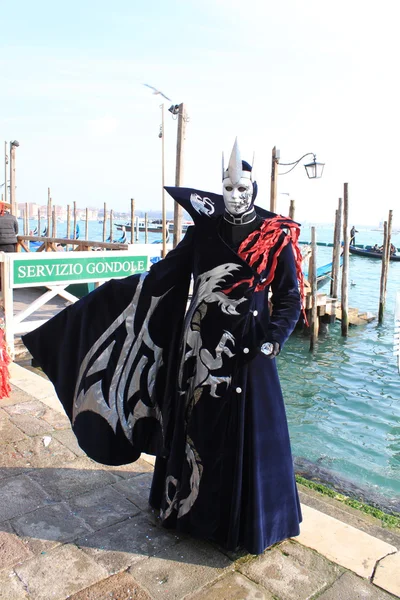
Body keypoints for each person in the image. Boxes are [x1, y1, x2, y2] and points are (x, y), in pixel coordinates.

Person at [22, 139, 304, 555]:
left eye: (243, 187)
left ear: (255, 188)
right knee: (197, 430)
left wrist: (273, 340)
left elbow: (290, 298)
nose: (236, 194)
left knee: (247, 439)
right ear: (221, 188)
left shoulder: (275, 235)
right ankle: (187, 510)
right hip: (197, 350)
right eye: (228, 187)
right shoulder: (204, 231)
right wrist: (98, 306)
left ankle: (244, 526)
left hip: (250, 353)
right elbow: (162, 277)